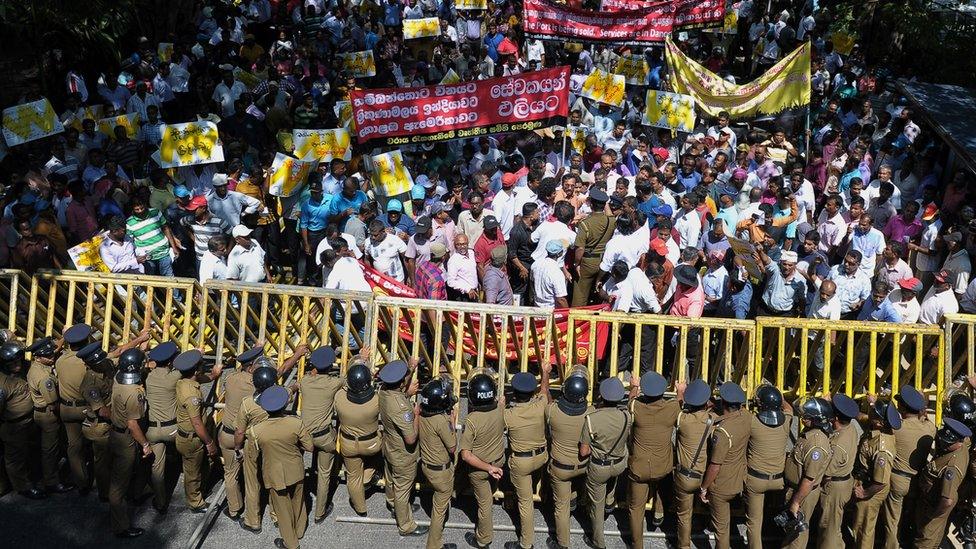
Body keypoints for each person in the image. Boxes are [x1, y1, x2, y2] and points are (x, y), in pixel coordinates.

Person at [251, 385, 314, 549]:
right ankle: (299, 530)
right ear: (284, 405)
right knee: (299, 501)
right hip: (295, 468)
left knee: (282, 510)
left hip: (274, 473)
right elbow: (309, 447)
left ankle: (291, 543)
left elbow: (253, 455)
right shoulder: (296, 423)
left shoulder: (256, 431)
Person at [290, 346, 343, 522]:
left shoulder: (305, 381)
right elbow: (349, 381)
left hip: (304, 435)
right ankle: (320, 513)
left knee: (296, 470)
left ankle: (296, 507)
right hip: (324, 436)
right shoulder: (334, 382)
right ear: (330, 366)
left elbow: (295, 385)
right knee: (324, 474)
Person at [627, 371, 679, 548]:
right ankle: (659, 512)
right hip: (662, 467)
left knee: (635, 508)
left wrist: (634, 386)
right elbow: (680, 402)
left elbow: (630, 401)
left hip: (639, 468)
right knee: (662, 482)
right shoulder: (672, 409)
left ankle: (637, 544)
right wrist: (681, 390)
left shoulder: (637, 407)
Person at [377, 359, 428, 537]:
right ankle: (406, 525)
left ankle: (395, 505)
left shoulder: (383, 391)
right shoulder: (401, 408)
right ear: (400, 384)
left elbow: (399, 390)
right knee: (402, 488)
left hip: (389, 447)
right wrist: (416, 416)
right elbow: (411, 438)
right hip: (402, 454)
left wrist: (411, 367)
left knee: (391, 479)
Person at [580, 377, 632, 549]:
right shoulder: (626, 416)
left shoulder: (591, 419)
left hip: (599, 467)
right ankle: (610, 500)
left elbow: (584, 452)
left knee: (596, 505)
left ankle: (598, 541)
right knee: (612, 481)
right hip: (618, 465)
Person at [882, 385, 936, 548]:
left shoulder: (897, 428)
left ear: (903, 407)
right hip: (916, 480)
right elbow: (925, 419)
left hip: (898, 479)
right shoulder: (929, 429)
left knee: (892, 520)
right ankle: (907, 540)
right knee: (910, 515)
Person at [213, 345, 263, 521]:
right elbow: (276, 374)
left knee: (230, 473)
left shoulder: (230, 378)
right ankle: (254, 514)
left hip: (226, 434)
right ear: (251, 367)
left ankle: (234, 509)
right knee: (252, 477)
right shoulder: (255, 384)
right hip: (245, 437)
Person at [504, 367, 552, 549]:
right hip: (541, 457)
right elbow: (544, 390)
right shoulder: (540, 405)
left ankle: (526, 543)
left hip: (521, 462)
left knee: (525, 503)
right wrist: (545, 373)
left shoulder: (509, 414)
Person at [545, 370, 592, 549]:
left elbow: (545, 397)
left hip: (560, 468)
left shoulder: (553, 411)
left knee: (561, 508)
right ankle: (577, 500)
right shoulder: (591, 413)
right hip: (582, 465)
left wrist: (545, 375)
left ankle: (563, 543)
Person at [699, 382, 750, 549]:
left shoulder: (722, 431)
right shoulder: (746, 417)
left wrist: (704, 488)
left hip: (721, 486)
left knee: (721, 530)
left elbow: (715, 465)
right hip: (739, 480)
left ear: (724, 404)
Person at [108, 345, 152, 538]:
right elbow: (133, 424)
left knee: (123, 476)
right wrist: (145, 444)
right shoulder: (134, 393)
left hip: (115, 433)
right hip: (126, 437)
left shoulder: (118, 378)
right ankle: (121, 526)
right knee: (119, 484)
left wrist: (141, 348)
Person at [780, 397, 833, 549]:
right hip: (797, 490)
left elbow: (809, 479)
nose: (802, 419)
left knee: (796, 537)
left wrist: (796, 502)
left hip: (803, 494)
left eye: (807, 417)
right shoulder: (810, 433)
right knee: (790, 532)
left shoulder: (816, 445)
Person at [461, 372, 506, 549]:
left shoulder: (472, 420)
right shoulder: (499, 410)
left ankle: (483, 539)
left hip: (481, 469)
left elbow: (466, 455)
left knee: (484, 504)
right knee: (490, 490)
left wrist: (487, 468)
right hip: (498, 462)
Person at [174, 350, 223, 512]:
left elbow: (200, 379)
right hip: (192, 439)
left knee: (199, 466)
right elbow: (196, 422)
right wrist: (209, 442)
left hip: (189, 437)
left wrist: (213, 376)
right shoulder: (191, 395)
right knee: (192, 473)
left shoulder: (183, 382)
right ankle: (195, 502)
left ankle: (198, 493)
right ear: (195, 371)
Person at [913, 418, 972, 549]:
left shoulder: (952, 467)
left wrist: (933, 515)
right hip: (934, 500)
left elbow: (947, 501)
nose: (943, 443)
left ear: (959, 442)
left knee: (924, 541)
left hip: (936, 505)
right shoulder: (963, 444)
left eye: (948, 442)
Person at [334, 355, 382, 517]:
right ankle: (368, 477)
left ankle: (360, 508)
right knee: (378, 457)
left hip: (348, 443)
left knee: (353, 476)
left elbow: (343, 382)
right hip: (371, 444)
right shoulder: (376, 401)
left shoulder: (340, 398)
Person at [744, 385, 791, 549]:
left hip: (756, 479)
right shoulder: (787, 422)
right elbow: (789, 408)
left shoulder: (753, 422)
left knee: (754, 522)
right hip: (778, 480)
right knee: (779, 512)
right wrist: (780, 397)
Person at [25, 337, 72, 494]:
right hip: (48, 415)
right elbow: (53, 404)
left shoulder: (37, 367)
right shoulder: (44, 378)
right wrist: (64, 416)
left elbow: (55, 349)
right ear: (38, 357)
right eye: (49, 356)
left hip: (41, 413)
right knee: (49, 450)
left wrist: (63, 337)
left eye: (52, 354)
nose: (52, 357)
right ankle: (51, 481)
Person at [851, 400, 901, 549]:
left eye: (874, 412)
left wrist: (864, 493)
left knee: (863, 529)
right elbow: (861, 416)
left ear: (880, 422)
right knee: (858, 526)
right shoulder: (876, 426)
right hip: (866, 480)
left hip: (872, 488)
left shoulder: (882, 450)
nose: (870, 412)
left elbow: (880, 482)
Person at [0, 343, 47, 499]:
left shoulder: (26, 367)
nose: (17, 365)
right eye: (12, 363)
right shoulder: (2, 384)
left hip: (31, 420)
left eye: (19, 360)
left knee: (32, 451)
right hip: (14, 426)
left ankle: (34, 477)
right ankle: (23, 487)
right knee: (15, 459)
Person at [144, 341, 186, 513]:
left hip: (153, 430)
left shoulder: (149, 377)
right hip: (173, 428)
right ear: (170, 361)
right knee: (190, 455)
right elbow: (188, 366)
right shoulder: (174, 377)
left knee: (157, 468)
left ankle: (161, 502)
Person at [418, 375, 457, 549]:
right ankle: (434, 545)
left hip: (426, 466)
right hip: (441, 472)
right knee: (439, 510)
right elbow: (452, 448)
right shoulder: (441, 421)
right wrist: (452, 423)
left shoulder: (422, 414)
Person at [56, 323, 96, 492]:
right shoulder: (85, 361)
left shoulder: (60, 361)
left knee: (74, 447)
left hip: (66, 409)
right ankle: (101, 481)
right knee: (98, 444)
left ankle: (81, 483)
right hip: (86, 408)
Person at [818, 394, 861, 548]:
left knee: (829, 528)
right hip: (844, 482)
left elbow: (826, 474)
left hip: (834, 488)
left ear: (835, 418)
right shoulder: (850, 428)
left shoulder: (838, 445)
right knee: (835, 525)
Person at [674, 380, 713, 549]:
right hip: (705, 476)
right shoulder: (713, 421)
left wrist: (680, 392)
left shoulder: (683, 419)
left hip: (685, 476)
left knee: (684, 514)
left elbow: (679, 408)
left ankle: (684, 545)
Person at [572, 188, 615, 306]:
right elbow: (609, 214)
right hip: (604, 262)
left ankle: (578, 322)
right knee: (600, 294)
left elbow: (580, 248)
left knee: (580, 296)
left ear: (591, 203)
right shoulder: (610, 221)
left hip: (587, 262)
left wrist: (576, 264)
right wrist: (604, 202)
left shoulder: (586, 223)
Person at [532, 240, 570, 308]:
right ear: (559, 254)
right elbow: (561, 299)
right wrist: (567, 313)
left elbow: (532, 283)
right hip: (550, 310)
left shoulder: (535, 264)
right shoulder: (556, 272)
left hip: (537, 307)